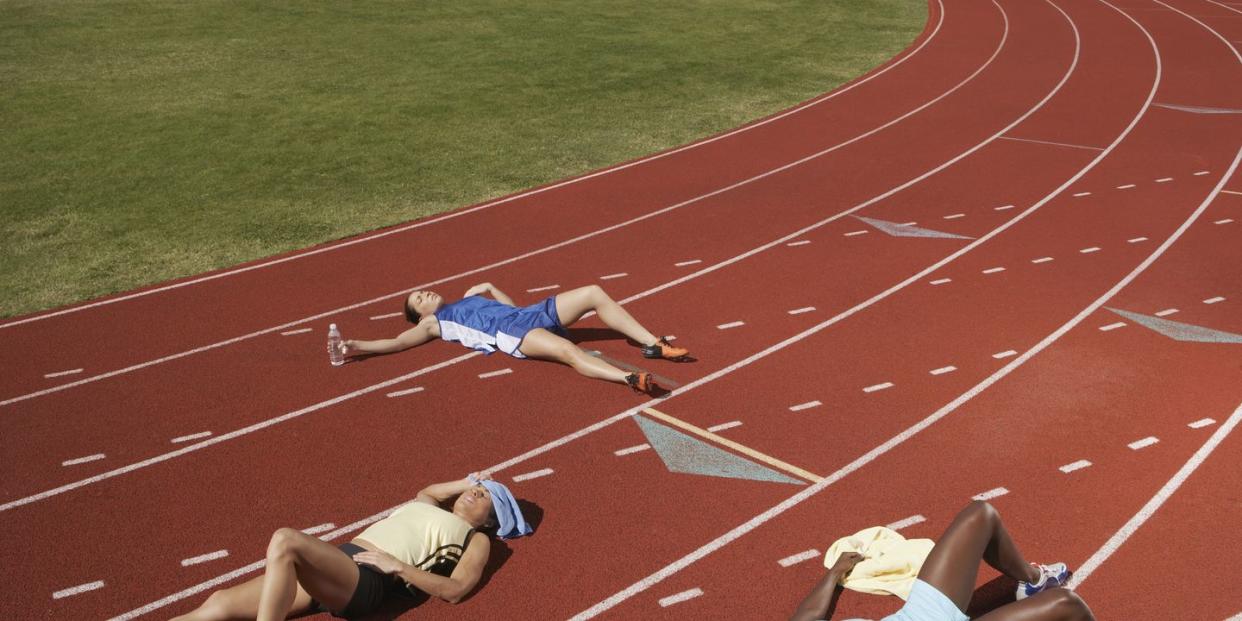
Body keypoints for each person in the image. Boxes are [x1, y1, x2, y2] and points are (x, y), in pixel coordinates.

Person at [173, 473, 531, 621]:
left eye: (485, 494)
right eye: (478, 485)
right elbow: (432, 491)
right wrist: (468, 479)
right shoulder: (428, 504)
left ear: (490, 519)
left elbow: (456, 590)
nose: (475, 490)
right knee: (219, 603)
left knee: (285, 540)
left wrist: (399, 567)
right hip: (339, 565)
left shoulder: (477, 538)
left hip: (367, 579)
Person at [343, 282, 689, 393]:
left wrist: (492, 288)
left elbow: (511, 306)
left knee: (593, 293)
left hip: (525, 314)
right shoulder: (433, 324)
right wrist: (358, 345)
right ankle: (628, 377)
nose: (424, 294)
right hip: (512, 334)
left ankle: (652, 344)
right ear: (420, 314)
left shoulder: (466, 299)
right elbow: (399, 343)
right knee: (568, 351)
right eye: (418, 300)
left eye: (422, 291)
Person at [791, 501, 1094, 621]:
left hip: (918, 614)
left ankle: (1031, 580)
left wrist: (834, 574)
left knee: (980, 515)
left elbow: (806, 617)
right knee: (1067, 605)